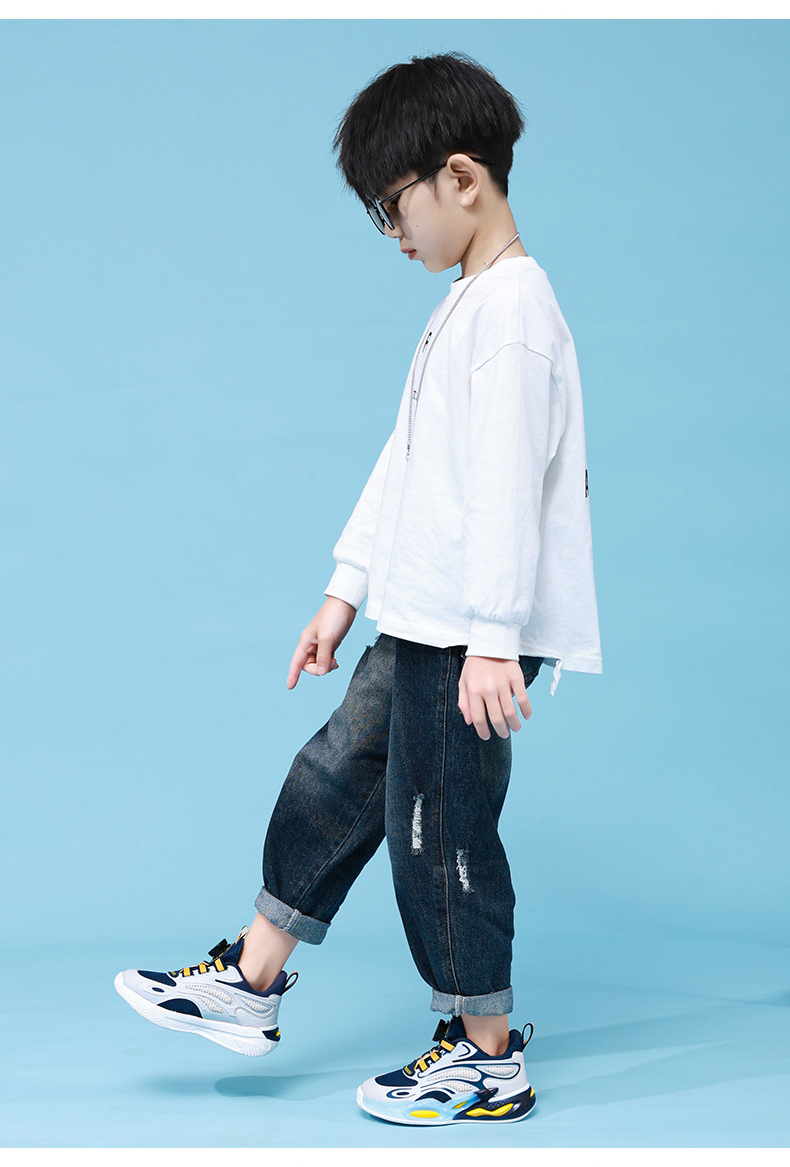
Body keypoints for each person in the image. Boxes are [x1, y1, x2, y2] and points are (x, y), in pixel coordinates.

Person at [114, 50, 603, 1127]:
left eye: (395, 207)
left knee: (441, 830)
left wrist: (493, 636)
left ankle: (485, 1054)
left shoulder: (514, 312)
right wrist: (344, 591)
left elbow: (510, 487)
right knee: (338, 772)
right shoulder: (466, 303)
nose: (393, 234)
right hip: (421, 616)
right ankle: (251, 981)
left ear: (461, 178)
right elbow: (407, 461)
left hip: (466, 632)